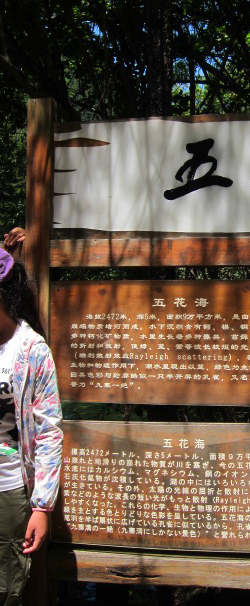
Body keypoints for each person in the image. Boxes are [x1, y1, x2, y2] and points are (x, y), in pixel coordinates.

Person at [0, 247, 62, 605]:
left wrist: (41, 507)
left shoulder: (30, 350)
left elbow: (49, 430)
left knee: (6, 588)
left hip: (8, 491)